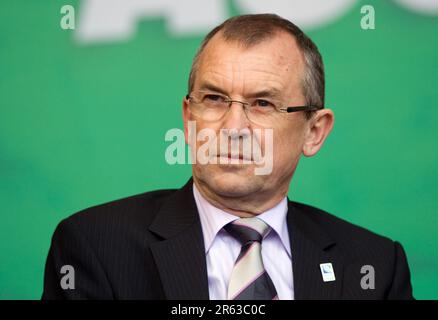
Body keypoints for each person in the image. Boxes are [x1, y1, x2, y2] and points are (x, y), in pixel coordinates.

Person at [42, 13, 414, 300]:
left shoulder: (374, 266)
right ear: (189, 118)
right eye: (215, 99)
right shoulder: (97, 246)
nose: (233, 126)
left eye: (263, 103)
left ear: (314, 132)